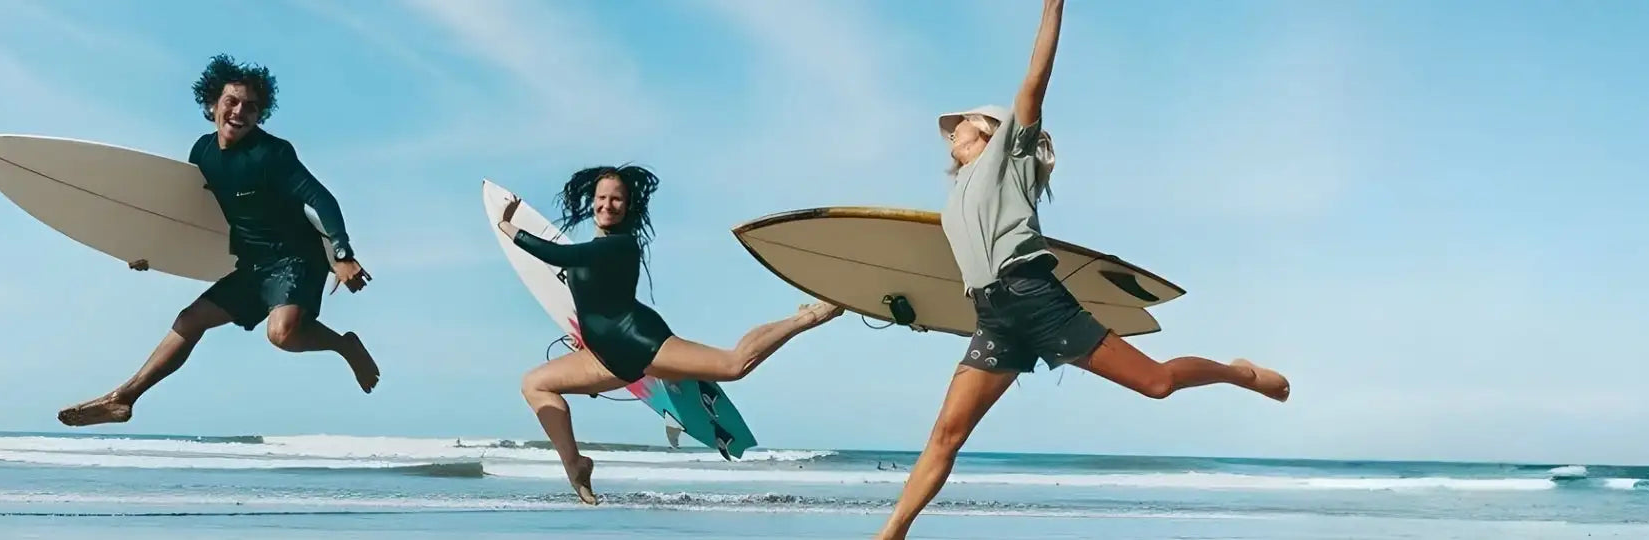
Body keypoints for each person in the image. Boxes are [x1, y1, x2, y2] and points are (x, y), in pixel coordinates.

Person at [875, 1, 1292, 537]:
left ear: (987, 131)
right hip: (996, 316)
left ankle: (1240, 373)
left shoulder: (1010, 156)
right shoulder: (957, 193)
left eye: (960, 126)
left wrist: (1052, 7)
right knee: (946, 435)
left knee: (1158, 384)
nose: (951, 133)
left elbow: (1033, 81)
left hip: (1037, 299)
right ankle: (891, 534)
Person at [57, 55, 380, 427]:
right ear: (213, 104)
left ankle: (345, 346)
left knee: (281, 334)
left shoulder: (273, 154)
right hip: (253, 264)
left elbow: (321, 199)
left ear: (260, 115)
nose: (240, 111)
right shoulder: (203, 153)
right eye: (232, 101)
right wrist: (150, 250)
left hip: (296, 258)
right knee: (190, 319)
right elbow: (192, 217)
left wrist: (341, 252)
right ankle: (124, 399)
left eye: (251, 107)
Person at [494, 165, 843, 505]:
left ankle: (810, 315)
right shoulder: (594, 247)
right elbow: (593, 300)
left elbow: (555, 254)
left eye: (616, 199)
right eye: (601, 198)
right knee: (534, 384)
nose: (607, 205)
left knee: (735, 364)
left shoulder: (621, 245)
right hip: (603, 357)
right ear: (592, 201)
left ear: (628, 206)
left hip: (643, 345)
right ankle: (575, 464)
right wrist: (585, 338)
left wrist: (508, 226)